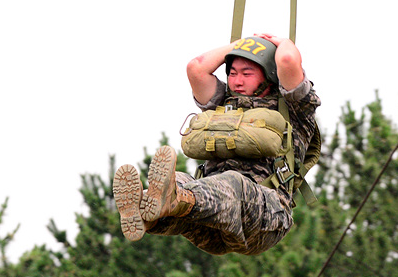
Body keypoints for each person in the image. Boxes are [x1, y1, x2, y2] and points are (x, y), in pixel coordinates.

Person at [112, 33, 321, 255]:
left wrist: (280, 42)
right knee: (179, 181)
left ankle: (171, 200)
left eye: (246, 74)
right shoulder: (224, 103)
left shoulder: (296, 109)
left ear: (269, 75)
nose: (237, 81)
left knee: (232, 183)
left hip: (264, 218)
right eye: (232, 73)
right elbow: (196, 69)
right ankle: (146, 213)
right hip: (213, 220)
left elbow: (287, 60)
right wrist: (239, 47)